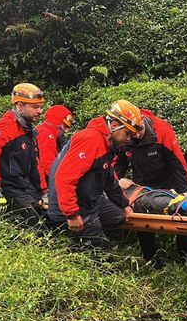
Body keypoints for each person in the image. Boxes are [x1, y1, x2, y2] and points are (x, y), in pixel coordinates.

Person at [48, 100, 141, 250]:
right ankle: (82, 246)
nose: (129, 138)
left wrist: (124, 203)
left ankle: (83, 240)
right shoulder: (91, 139)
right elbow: (64, 178)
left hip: (89, 199)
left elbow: (109, 179)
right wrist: (71, 214)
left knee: (117, 217)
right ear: (115, 125)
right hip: (70, 204)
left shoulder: (107, 143)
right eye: (128, 133)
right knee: (102, 253)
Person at [115, 109, 187, 266]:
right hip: (142, 183)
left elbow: (178, 163)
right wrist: (115, 183)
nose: (137, 135)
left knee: (183, 215)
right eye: (133, 133)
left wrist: (184, 190)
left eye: (140, 131)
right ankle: (152, 259)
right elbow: (119, 162)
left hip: (169, 181)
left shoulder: (161, 130)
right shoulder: (124, 137)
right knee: (142, 220)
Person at [0, 83, 45, 226]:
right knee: (35, 230)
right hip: (2, 187)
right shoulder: (5, 127)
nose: (40, 111)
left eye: (40, 106)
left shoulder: (27, 129)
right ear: (20, 106)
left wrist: (44, 190)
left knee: (47, 217)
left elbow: (34, 162)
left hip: (20, 184)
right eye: (35, 107)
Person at [36, 105, 74, 186]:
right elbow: (48, 166)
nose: (66, 130)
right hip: (41, 184)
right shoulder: (46, 133)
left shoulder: (49, 133)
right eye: (65, 126)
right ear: (57, 122)